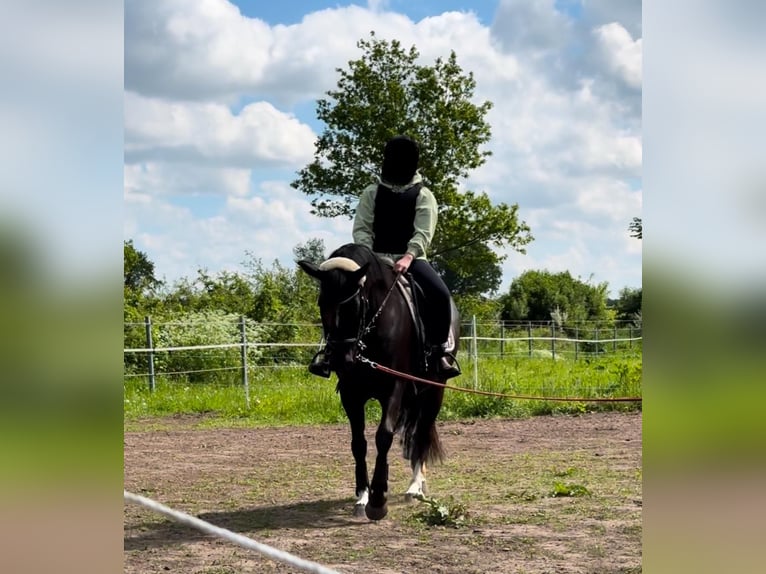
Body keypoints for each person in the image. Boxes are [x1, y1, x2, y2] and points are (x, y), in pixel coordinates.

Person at [309, 135, 460, 379]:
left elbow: (423, 232)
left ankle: (440, 352)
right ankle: (327, 352)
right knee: (339, 293)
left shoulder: (424, 195)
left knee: (440, 295)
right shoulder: (372, 193)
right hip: (373, 260)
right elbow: (362, 228)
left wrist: (408, 257)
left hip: (410, 260)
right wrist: (369, 257)